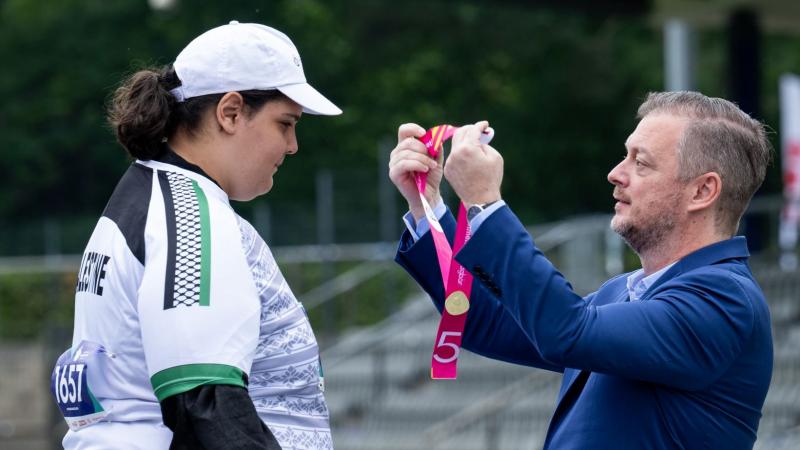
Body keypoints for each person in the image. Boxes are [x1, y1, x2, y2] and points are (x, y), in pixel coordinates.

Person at [389, 91, 773, 449]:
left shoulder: (724, 300)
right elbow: (483, 324)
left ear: (702, 192)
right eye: (626, 156)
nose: (615, 173)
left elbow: (565, 330)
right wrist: (429, 209)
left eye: (640, 162)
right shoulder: (621, 292)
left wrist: (486, 205)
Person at [50, 21, 340, 449]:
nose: (293, 145)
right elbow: (205, 402)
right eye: (286, 123)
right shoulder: (189, 216)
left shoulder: (147, 193)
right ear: (231, 112)